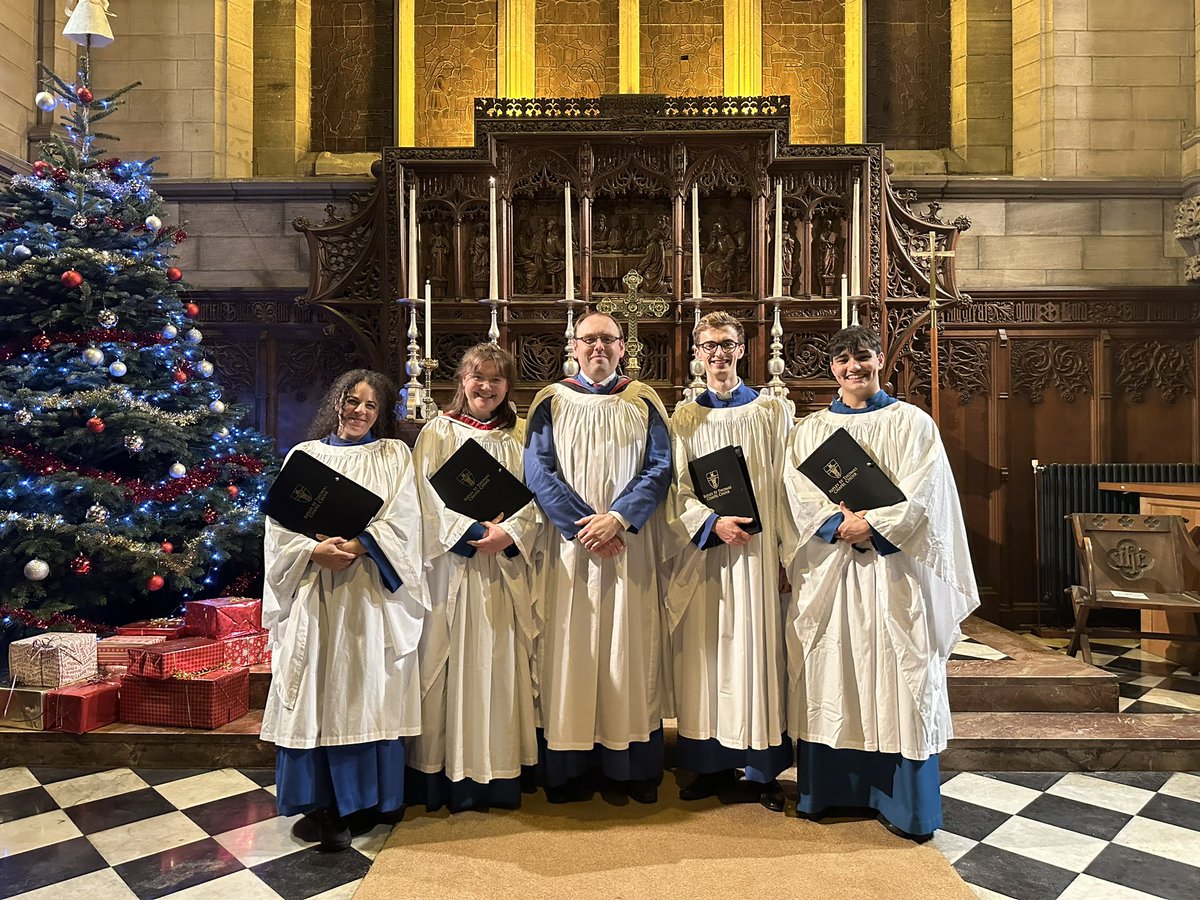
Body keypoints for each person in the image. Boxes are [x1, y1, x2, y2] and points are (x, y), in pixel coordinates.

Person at [781, 325, 979, 840]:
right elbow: (797, 493)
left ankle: (905, 805)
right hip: (833, 572)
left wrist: (874, 527)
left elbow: (926, 490)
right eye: (844, 360)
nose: (855, 368)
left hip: (895, 572)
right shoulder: (810, 429)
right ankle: (827, 791)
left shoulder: (913, 422)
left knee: (900, 669)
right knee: (832, 668)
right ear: (831, 368)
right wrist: (836, 526)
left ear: (879, 362)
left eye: (864, 358)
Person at [261, 369, 427, 852]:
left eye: (370, 405)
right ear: (336, 402)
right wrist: (311, 552)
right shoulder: (305, 457)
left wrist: (357, 546)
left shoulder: (394, 454)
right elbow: (278, 526)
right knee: (316, 691)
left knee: (365, 687)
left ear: (382, 413)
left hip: (368, 595)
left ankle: (374, 799)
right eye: (351, 401)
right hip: (315, 593)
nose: (358, 411)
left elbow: (405, 518)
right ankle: (323, 804)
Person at [524, 310, 673, 804]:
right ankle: (569, 769)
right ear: (573, 346)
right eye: (588, 340)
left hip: (629, 549)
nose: (598, 348)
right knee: (573, 649)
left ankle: (628, 768)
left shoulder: (643, 399)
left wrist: (619, 519)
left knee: (627, 650)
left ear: (622, 347)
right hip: (572, 552)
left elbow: (659, 467)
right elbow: (539, 470)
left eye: (608, 339)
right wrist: (583, 525)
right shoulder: (551, 400)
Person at [665, 312, 794, 812]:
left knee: (757, 652)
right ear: (696, 354)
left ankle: (762, 768)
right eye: (708, 346)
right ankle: (708, 762)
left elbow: (789, 488)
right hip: (707, 554)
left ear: (742, 350)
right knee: (707, 654)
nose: (717, 354)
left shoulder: (771, 411)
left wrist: (785, 554)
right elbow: (676, 488)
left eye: (726, 344)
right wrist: (710, 522)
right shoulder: (683, 419)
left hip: (759, 557)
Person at [406, 344, 541, 811]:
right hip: (452, 568)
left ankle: (499, 773)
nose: (486, 387)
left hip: (502, 570)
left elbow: (536, 499)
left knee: (500, 662)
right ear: (462, 380)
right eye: (478, 377)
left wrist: (509, 532)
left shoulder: (519, 436)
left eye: (497, 379)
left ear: (508, 387)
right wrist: (466, 531)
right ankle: (445, 775)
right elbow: (419, 498)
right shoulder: (438, 432)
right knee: (447, 662)